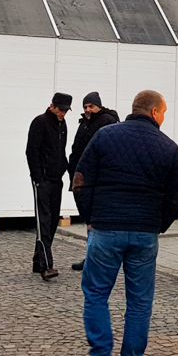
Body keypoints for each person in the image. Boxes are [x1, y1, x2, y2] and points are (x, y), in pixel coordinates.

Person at [73, 90, 178, 356]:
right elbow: (177, 195)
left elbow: (81, 180)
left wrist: (90, 219)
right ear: (154, 113)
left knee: (96, 295)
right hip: (144, 232)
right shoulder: (168, 147)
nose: (163, 118)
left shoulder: (105, 136)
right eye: (163, 113)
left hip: (105, 228)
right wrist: (157, 225)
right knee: (139, 302)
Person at [66, 92, 120, 272]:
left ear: (99, 106)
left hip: (95, 181)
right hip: (83, 179)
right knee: (89, 220)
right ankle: (91, 256)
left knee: (94, 222)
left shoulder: (106, 121)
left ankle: (96, 258)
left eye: (91, 106)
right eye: (85, 106)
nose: (88, 109)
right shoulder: (86, 122)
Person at [25, 92, 71, 280]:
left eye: (66, 110)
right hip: (43, 179)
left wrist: (64, 168)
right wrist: (37, 177)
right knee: (43, 221)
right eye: (60, 109)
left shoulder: (62, 125)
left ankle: (38, 261)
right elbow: (31, 151)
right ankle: (46, 265)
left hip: (56, 178)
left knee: (52, 221)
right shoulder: (40, 121)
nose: (63, 113)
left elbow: (60, 151)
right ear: (52, 106)